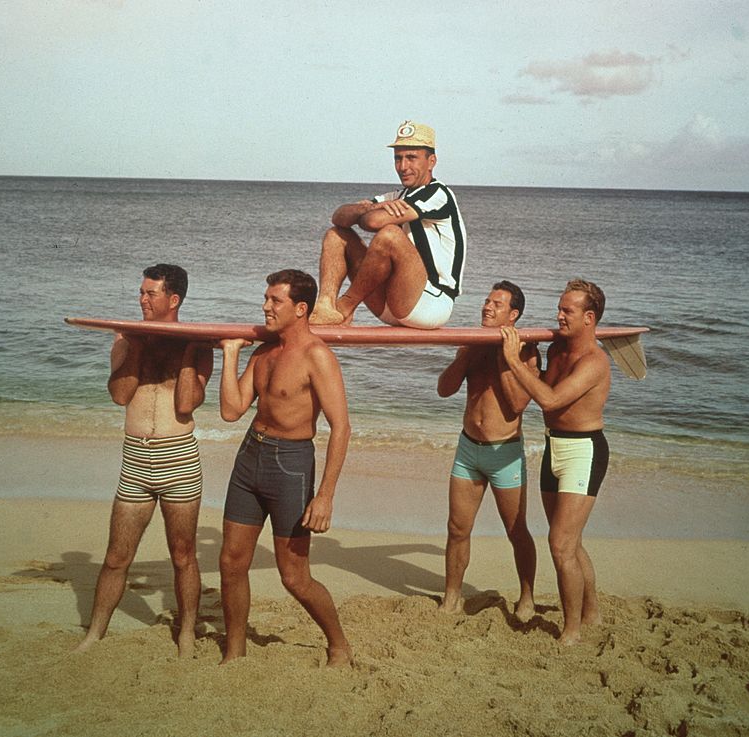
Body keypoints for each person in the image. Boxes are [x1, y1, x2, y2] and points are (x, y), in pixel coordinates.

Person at [75, 264, 214, 656]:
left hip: (180, 460)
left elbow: (187, 404)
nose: (141, 299)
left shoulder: (199, 344)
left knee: (183, 555)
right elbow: (120, 395)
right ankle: (94, 634)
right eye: (141, 292)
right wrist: (134, 344)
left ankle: (186, 634)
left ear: (173, 300)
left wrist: (186, 348)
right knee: (116, 556)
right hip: (136, 460)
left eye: (150, 294)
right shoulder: (124, 340)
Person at [218, 269, 353, 666]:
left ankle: (338, 644)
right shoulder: (264, 352)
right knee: (230, 562)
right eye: (266, 298)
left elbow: (342, 428)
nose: (265, 306)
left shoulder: (317, 356)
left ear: (300, 308)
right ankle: (235, 651)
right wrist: (230, 354)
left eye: (274, 300)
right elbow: (230, 410)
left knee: (294, 576)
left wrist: (325, 496)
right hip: (249, 457)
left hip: (290, 466)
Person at [499, 279, 612, 646]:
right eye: (559, 308)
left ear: (589, 318)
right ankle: (590, 610)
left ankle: (572, 630)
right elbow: (543, 383)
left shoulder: (595, 362)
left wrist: (514, 361)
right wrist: (528, 353)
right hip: (554, 448)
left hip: (584, 451)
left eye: (568, 311)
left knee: (560, 544)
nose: (558, 315)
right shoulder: (559, 349)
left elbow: (549, 400)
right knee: (571, 543)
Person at [436, 282, 538, 620]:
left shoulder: (527, 349)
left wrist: (505, 356)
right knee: (456, 528)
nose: (487, 307)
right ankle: (452, 596)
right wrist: (465, 355)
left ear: (514, 314)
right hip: (468, 450)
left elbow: (518, 403)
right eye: (486, 301)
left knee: (516, 530)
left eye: (497, 304)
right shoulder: (472, 343)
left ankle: (527, 595)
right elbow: (444, 390)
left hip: (504, 453)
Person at [310, 120, 467, 329]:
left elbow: (374, 222)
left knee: (390, 234)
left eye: (411, 158)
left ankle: (344, 307)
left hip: (432, 303)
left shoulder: (439, 193)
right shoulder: (396, 196)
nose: (403, 167)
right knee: (336, 235)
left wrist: (373, 210)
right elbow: (339, 217)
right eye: (398, 158)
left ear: (431, 161)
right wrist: (369, 208)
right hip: (391, 303)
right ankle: (326, 307)